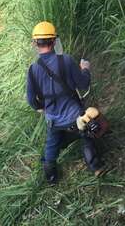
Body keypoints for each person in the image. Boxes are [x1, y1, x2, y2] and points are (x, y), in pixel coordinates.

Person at [26, 21, 104, 185]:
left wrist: (41, 107)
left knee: (51, 144)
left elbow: (32, 101)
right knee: (86, 136)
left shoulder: (33, 70)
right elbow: (83, 84)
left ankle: (51, 177)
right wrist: (85, 69)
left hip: (53, 120)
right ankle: (96, 167)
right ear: (54, 41)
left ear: (35, 43)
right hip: (75, 116)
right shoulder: (66, 60)